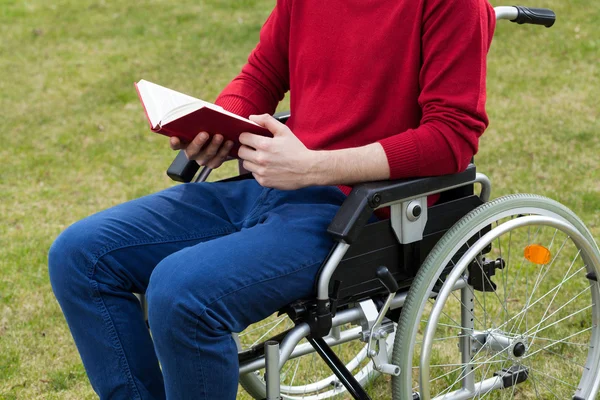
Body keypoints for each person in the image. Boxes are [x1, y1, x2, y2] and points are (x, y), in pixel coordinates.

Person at [48, 0, 496, 399]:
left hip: (357, 214)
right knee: (80, 255)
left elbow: (451, 137)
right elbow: (262, 73)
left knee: (182, 292)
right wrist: (218, 122)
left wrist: (314, 167)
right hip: (270, 185)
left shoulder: (454, 5)